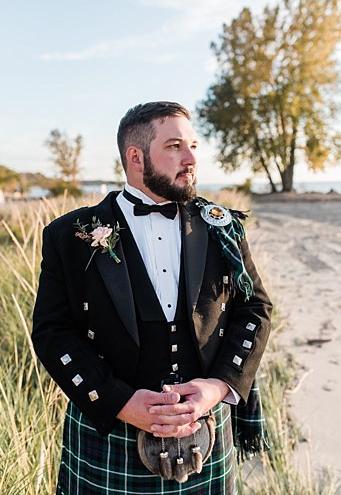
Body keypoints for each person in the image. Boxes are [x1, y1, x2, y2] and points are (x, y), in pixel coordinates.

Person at [31, 102, 273, 493]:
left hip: (206, 430)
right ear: (135, 156)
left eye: (193, 145)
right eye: (175, 146)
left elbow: (255, 309)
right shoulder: (69, 236)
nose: (191, 158)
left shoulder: (222, 227)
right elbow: (52, 332)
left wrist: (217, 387)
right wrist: (120, 402)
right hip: (108, 432)